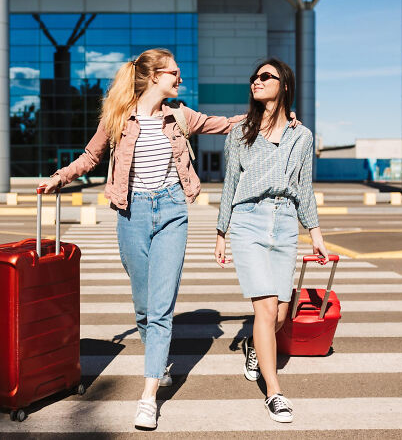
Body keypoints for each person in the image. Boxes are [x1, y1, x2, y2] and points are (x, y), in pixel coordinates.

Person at [41, 48, 254, 430]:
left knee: (160, 309)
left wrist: (269, 116)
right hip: (131, 214)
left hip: (173, 211)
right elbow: (91, 156)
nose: (180, 79)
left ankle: (148, 395)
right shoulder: (119, 117)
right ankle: (160, 361)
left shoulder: (180, 115)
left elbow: (227, 124)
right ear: (154, 76)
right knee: (142, 305)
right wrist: (61, 176)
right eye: (174, 72)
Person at [214, 58, 328, 424]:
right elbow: (230, 182)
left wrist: (316, 233)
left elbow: (304, 187)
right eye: (254, 77)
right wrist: (222, 232)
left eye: (266, 76)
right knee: (264, 310)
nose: (257, 81)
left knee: (279, 314)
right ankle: (274, 392)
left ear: (284, 85)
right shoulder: (240, 132)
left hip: (284, 223)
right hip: (248, 220)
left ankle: (252, 344)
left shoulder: (302, 135)